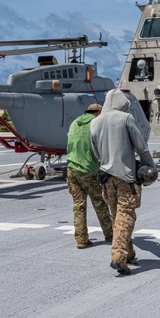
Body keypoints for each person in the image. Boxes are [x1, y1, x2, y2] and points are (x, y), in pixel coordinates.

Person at [91, 89, 158, 275]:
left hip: (105, 177)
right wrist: (152, 167)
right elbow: (141, 146)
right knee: (126, 215)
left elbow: (95, 150)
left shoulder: (94, 122)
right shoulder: (125, 118)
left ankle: (129, 253)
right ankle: (118, 256)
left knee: (116, 216)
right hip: (125, 176)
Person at [65, 103, 113, 249]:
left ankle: (81, 239)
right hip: (88, 169)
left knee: (78, 205)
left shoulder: (75, 122)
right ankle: (110, 234)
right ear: (98, 112)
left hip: (71, 168)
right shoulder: (95, 123)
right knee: (100, 202)